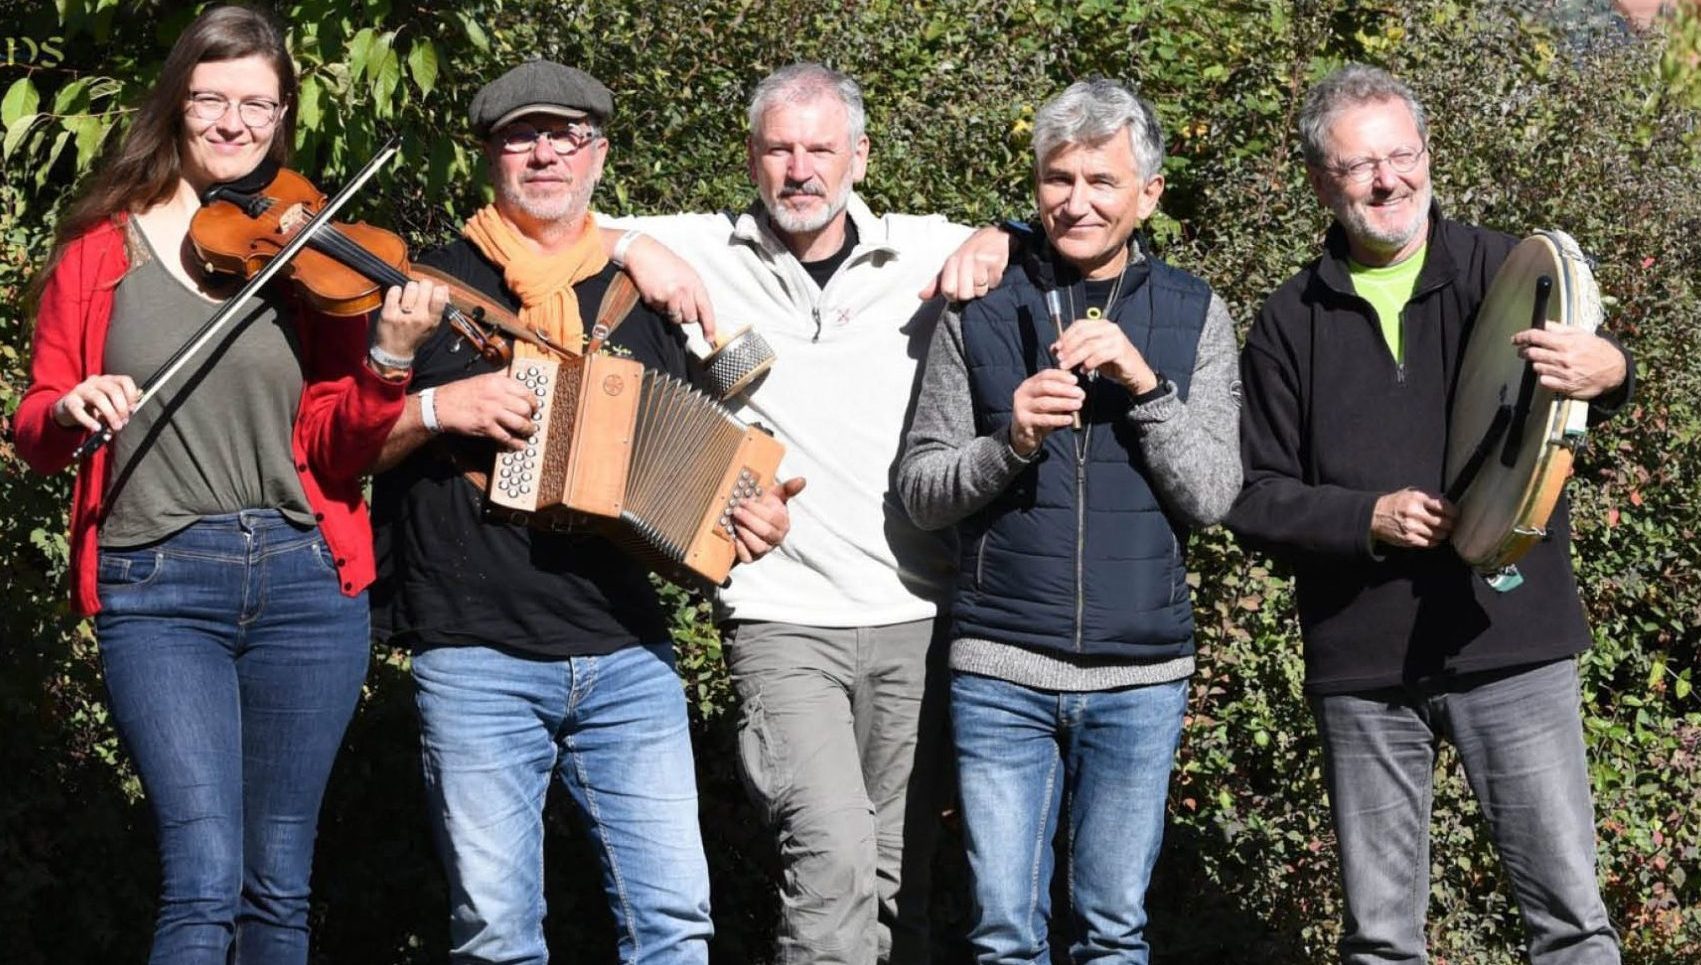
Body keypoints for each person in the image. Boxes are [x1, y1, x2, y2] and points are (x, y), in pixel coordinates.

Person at [11, 6, 437, 962]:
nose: (235, 123)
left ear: (282, 113)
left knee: (278, 890)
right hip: (158, 585)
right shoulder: (98, 251)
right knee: (203, 884)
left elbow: (337, 447)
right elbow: (33, 429)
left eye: (258, 103)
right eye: (213, 99)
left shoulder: (309, 251)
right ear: (177, 104)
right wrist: (71, 403)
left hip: (303, 582)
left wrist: (388, 364)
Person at [366, 59, 796, 965]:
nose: (546, 153)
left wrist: (745, 522)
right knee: (495, 936)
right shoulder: (424, 288)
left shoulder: (641, 298)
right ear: (488, 155)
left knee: (674, 924)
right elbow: (346, 446)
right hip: (473, 649)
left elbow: (690, 472)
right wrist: (445, 406)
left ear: (599, 153)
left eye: (567, 135)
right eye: (522, 136)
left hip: (625, 655)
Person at [598, 62, 1012, 965]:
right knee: (829, 860)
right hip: (781, 619)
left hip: (916, 614)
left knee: (897, 873)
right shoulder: (704, 246)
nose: (799, 169)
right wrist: (635, 249)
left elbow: (1059, 224)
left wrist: (997, 234)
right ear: (750, 158)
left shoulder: (922, 248)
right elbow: (546, 223)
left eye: (819, 149)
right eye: (779, 149)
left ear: (858, 157)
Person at [1225, 64, 1631, 964]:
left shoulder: (1505, 269)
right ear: (1318, 182)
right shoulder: (1289, 321)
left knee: (1569, 923)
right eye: (1357, 166)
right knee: (1380, 940)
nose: (1385, 181)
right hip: (1361, 658)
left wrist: (1612, 371)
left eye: (1399, 155)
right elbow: (1252, 496)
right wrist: (1366, 517)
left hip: (1508, 637)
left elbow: (1585, 382)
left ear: (1426, 155)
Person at [896, 78, 1241, 964]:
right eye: (1058, 179)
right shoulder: (978, 306)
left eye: (1101, 181)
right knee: (1004, 935)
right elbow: (920, 488)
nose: (1076, 201)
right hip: (1000, 668)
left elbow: (1213, 497)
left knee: (1112, 932)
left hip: (1139, 675)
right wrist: (1007, 440)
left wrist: (1146, 387)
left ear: (1148, 195)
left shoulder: (1196, 313)